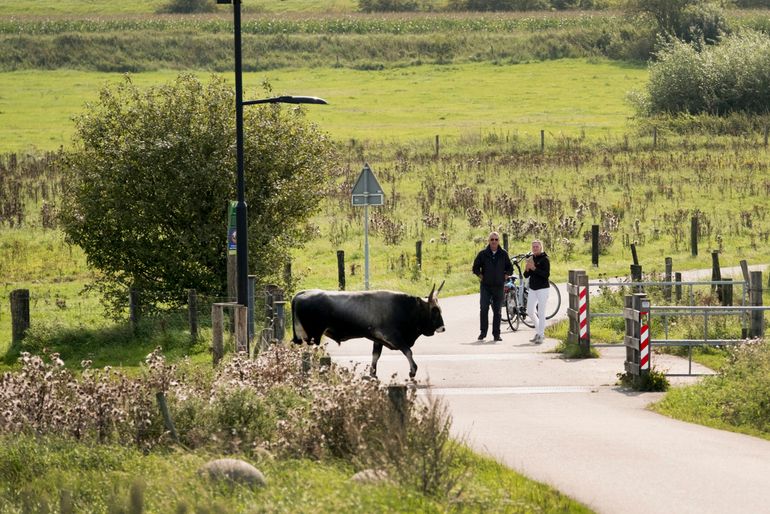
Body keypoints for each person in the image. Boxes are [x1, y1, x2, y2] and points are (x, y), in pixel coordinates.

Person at [472, 231, 513, 342]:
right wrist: (481, 276)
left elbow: (510, 268)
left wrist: (506, 275)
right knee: (484, 308)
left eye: (496, 239)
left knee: (497, 311)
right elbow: (475, 267)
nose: (494, 241)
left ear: (499, 241)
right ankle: (483, 333)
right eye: (492, 239)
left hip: (499, 286)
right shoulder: (482, 254)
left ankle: (496, 334)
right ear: (488, 241)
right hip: (486, 286)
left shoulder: (503, 253)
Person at [524, 239, 550, 344]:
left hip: (543, 288)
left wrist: (534, 268)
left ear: (540, 247)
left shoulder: (545, 259)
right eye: (533, 247)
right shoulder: (531, 258)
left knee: (541, 312)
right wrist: (527, 268)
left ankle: (541, 335)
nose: (535, 248)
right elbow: (526, 276)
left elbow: (546, 275)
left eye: (537, 247)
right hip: (533, 288)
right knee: (530, 311)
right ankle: (538, 331)